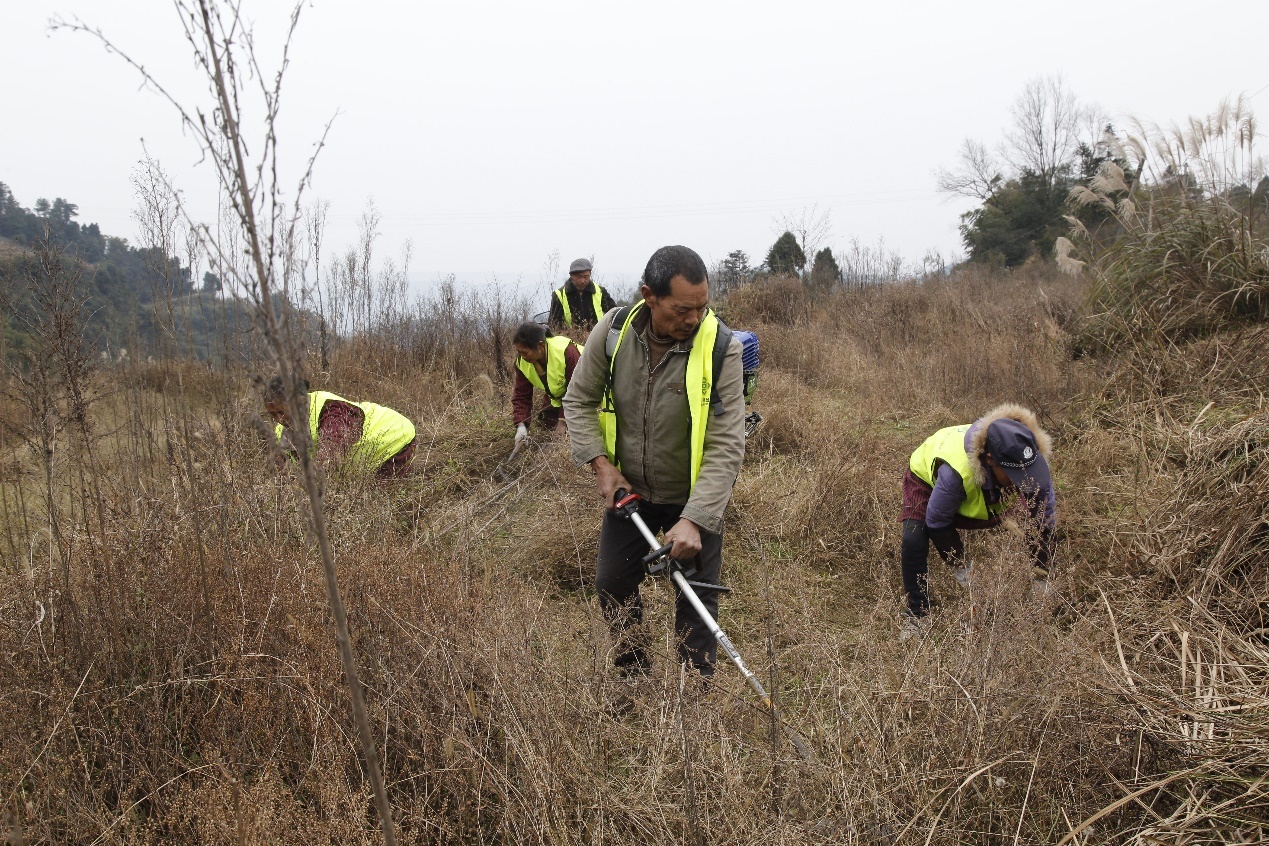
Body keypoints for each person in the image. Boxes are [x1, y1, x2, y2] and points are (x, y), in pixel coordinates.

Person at [563, 245, 745, 678]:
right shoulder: (613, 332)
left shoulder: (722, 348)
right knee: (613, 583)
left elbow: (727, 444)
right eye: (681, 309)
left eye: (701, 307)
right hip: (631, 494)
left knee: (696, 598)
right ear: (649, 296)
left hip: (693, 496)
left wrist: (696, 519)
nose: (693, 319)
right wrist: (601, 465)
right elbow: (579, 399)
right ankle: (634, 676)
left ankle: (692, 696)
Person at [899, 403, 1058, 624]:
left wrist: (1041, 577)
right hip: (926, 481)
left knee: (1037, 512)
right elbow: (937, 523)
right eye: (1013, 474)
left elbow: (1044, 521)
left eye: (1028, 472)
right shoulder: (956, 474)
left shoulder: (1030, 462)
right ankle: (917, 614)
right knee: (913, 538)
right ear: (990, 460)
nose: (1022, 481)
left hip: (984, 491)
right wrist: (963, 569)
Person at [263, 376, 417, 478]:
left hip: (395, 435)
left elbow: (328, 460)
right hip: (365, 455)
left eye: (282, 412)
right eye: (273, 414)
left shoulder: (333, 410)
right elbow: (284, 470)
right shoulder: (282, 433)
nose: (279, 419)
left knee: (380, 499)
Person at [511, 321, 582, 446]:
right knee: (546, 429)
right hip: (557, 397)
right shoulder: (522, 362)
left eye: (525, 352)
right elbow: (522, 395)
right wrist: (521, 426)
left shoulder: (567, 352)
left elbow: (576, 391)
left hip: (588, 393)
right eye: (519, 352)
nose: (522, 356)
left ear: (540, 345)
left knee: (568, 435)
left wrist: (562, 421)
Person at [548, 257, 615, 333]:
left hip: (598, 336)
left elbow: (614, 313)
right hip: (570, 338)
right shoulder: (559, 294)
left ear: (590, 274)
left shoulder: (600, 291)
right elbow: (555, 324)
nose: (583, 281)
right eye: (579, 277)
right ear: (571, 276)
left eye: (586, 277)